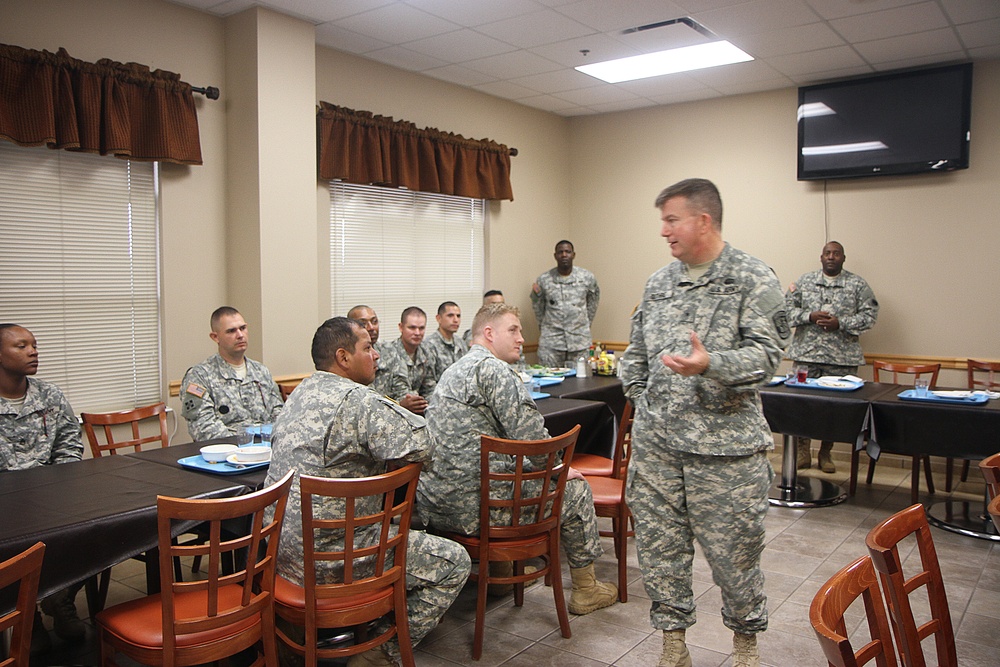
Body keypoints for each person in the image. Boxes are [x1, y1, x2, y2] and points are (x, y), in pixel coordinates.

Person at [620, 179, 790, 667]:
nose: (663, 231)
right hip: (658, 451)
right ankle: (673, 647)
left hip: (726, 454)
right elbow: (636, 354)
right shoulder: (658, 283)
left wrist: (710, 364)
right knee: (659, 551)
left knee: (734, 560)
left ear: (703, 221)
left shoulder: (752, 277)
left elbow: (766, 358)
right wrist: (641, 398)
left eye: (671, 220)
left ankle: (745, 649)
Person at [264, 317, 470, 667]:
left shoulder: (300, 392)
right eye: (367, 348)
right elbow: (424, 443)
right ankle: (379, 651)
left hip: (279, 554)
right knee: (454, 563)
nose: (376, 355)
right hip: (335, 560)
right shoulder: (357, 400)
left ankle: (294, 638)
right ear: (343, 357)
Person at [417, 302, 618, 615]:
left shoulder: (454, 370)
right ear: (488, 333)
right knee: (575, 490)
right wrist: (561, 470)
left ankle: (499, 578)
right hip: (478, 511)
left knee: (505, 473)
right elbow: (534, 443)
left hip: (437, 507)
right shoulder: (496, 371)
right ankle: (587, 589)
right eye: (513, 330)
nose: (522, 338)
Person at [0, 324, 86, 650]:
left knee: (97, 531)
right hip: (6, 506)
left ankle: (59, 597)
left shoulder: (49, 395)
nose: (33, 351)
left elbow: (69, 446)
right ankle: (25, 615)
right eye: (21, 346)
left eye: (34, 345)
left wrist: (56, 487)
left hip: (52, 499)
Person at [786, 241, 879, 473]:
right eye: (827, 253)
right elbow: (785, 311)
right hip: (807, 356)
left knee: (834, 411)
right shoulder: (804, 282)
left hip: (841, 359)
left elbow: (870, 315)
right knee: (801, 406)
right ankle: (803, 451)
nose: (831, 257)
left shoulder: (857, 284)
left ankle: (826, 453)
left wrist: (841, 323)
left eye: (836, 254)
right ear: (821, 257)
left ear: (843, 259)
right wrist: (809, 315)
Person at [180, 307, 284, 441]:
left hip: (267, 448)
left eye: (243, 328)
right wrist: (245, 444)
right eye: (231, 331)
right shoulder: (200, 376)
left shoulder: (261, 371)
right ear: (215, 337)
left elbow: (279, 415)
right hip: (227, 452)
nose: (240, 335)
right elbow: (203, 428)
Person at [531, 240, 600, 368]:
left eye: (567, 252)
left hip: (579, 342)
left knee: (581, 385)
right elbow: (538, 307)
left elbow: (593, 302)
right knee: (550, 382)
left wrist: (583, 324)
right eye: (560, 252)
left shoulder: (587, 278)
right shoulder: (543, 280)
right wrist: (547, 328)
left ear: (573, 255)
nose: (564, 255)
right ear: (555, 255)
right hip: (551, 343)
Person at [377, 307, 436, 415]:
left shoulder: (426, 352)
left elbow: (429, 387)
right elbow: (382, 395)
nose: (417, 333)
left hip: (420, 412)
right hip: (391, 413)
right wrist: (401, 404)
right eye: (412, 328)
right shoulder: (388, 353)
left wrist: (428, 403)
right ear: (401, 327)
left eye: (421, 328)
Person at [422, 301, 468, 382]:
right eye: (450, 316)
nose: (456, 320)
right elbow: (428, 382)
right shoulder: (429, 345)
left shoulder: (461, 343)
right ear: (438, 318)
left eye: (458, 316)